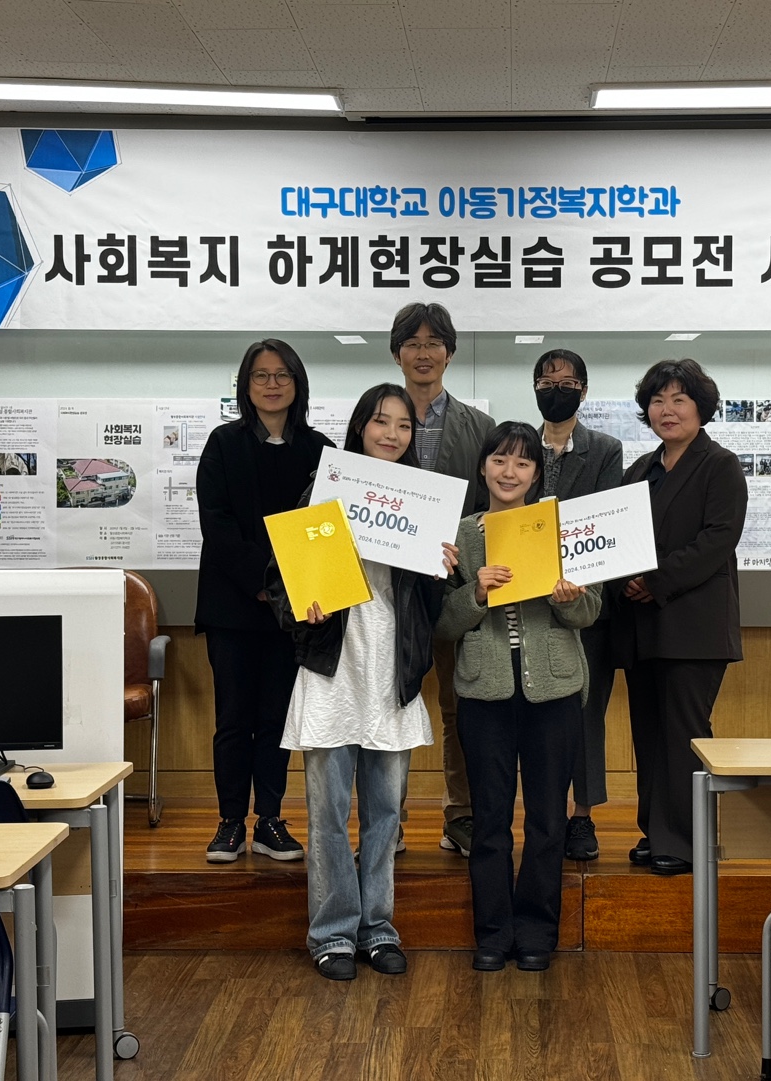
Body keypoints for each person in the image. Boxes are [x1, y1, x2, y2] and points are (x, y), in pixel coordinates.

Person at [266, 383, 457, 981]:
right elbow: (281, 579)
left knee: (385, 816)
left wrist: (443, 572)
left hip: (391, 671)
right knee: (326, 814)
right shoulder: (325, 490)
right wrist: (303, 607)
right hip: (334, 669)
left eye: (403, 425)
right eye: (381, 422)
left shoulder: (423, 501)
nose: (392, 434)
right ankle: (331, 933)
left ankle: (377, 927)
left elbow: (431, 604)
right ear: (359, 428)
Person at [437, 422, 601, 972]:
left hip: (553, 687)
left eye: (523, 463)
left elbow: (590, 611)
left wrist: (567, 597)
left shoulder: (559, 528)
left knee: (548, 818)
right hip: (484, 689)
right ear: (483, 466)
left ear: (536, 474)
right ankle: (492, 933)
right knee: (489, 818)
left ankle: (536, 932)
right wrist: (476, 591)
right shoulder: (460, 535)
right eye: (500, 460)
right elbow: (443, 623)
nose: (509, 472)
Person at [194, 339, 333, 864]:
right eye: (261, 375)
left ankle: (270, 820)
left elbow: (326, 528)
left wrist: (289, 590)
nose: (272, 385)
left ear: (298, 383)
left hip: (292, 613)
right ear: (245, 385)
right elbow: (217, 524)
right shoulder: (223, 443)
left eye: (282, 375)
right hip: (233, 607)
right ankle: (230, 821)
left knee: (277, 719)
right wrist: (264, 582)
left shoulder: (320, 451)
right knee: (233, 719)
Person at [613, 359, 747, 876]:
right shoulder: (640, 470)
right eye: (657, 400)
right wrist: (623, 578)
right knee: (648, 733)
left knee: (684, 733)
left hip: (694, 626)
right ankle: (656, 830)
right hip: (642, 624)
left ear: (701, 408)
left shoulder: (721, 465)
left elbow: (718, 539)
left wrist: (655, 580)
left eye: (679, 400)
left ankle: (687, 840)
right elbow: (618, 535)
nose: (666, 410)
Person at [389, 301, 494, 859]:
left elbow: (492, 505)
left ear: (450, 353)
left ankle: (462, 815)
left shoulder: (480, 427)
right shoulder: (378, 417)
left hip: (457, 588)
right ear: (397, 353)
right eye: (413, 342)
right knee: (392, 703)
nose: (423, 352)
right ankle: (389, 819)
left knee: (461, 706)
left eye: (434, 342)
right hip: (390, 589)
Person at [531, 348, 623, 861]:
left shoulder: (604, 450)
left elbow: (603, 520)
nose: (556, 390)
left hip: (586, 601)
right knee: (537, 715)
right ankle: (543, 813)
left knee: (587, 716)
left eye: (566, 383)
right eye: (546, 382)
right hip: (528, 601)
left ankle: (582, 816)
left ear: (583, 391)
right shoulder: (520, 445)